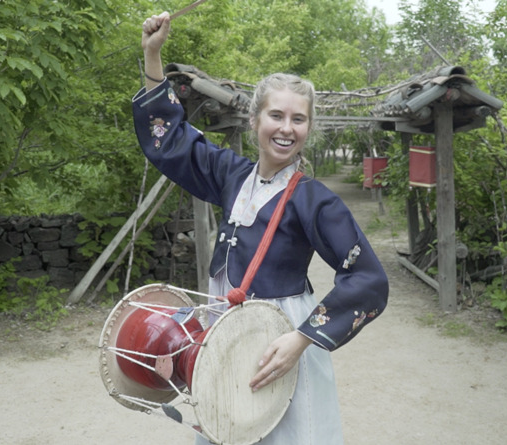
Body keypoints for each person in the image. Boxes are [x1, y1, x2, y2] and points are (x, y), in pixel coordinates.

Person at [134, 12, 389, 445]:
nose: (287, 128)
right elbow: (174, 139)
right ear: (255, 121)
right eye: (276, 115)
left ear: (309, 128)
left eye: (299, 119)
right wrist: (153, 54)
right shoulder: (229, 175)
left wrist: (303, 338)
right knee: (227, 427)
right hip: (223, 327)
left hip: (281, 340)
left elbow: (368, 277)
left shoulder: (315, 201)